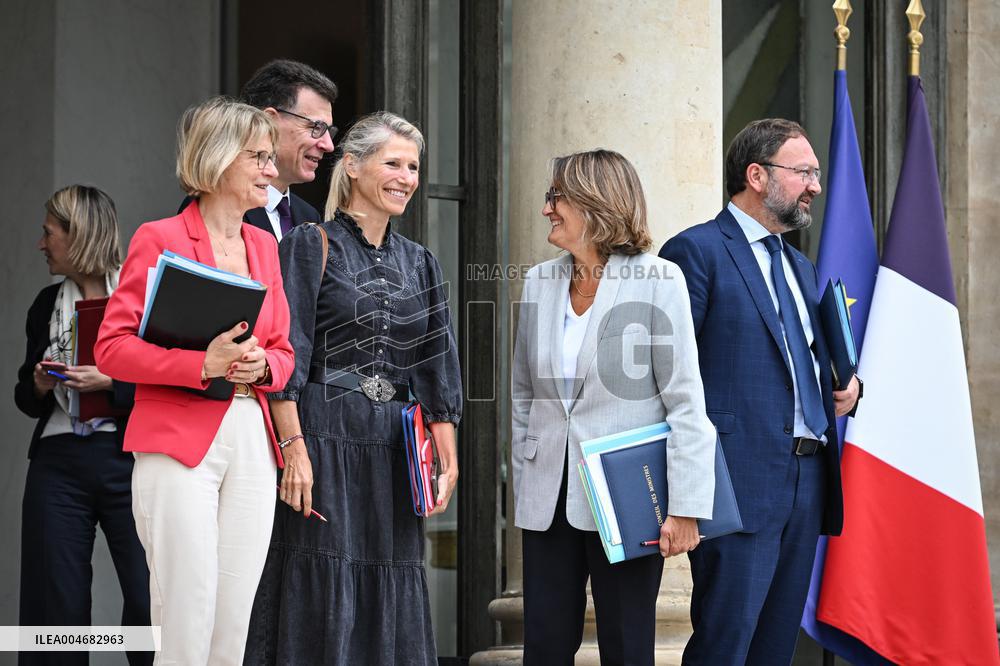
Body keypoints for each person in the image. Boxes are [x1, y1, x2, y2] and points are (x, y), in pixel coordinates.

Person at [244, 111, 462, 665]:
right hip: (321, 436)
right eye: (394, 163)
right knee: (322, 577)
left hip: (394, 448)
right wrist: (293, 451)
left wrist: (446, 457)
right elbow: (286, 353)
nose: (407, 177)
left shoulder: (423, 263)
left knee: (392, 578)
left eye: (414, 167)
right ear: (354, 165)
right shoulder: (308, 245)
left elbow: (437, 363)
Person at [95, 97, 294, 665]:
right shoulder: (159, 237)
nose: (270, 170)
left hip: (251, 437)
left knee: (233, 623)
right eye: (257, 157)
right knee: (186, 612)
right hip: (176, 437)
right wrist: (198, 365)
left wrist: (264, 367)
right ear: (218, 158)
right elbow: (112, 348)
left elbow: (284, 352)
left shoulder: (265, 247)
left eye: (269, 157)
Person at [659, 118, 862, 665]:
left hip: (806, 480)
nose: (815, 186)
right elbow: (670, 376)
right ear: (756, 174)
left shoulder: (798, 264)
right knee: (725, 644)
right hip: (736, 480)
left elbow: (803, 363)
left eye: (815, 175)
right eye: (804, 173)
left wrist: (849, 388)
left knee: (774, 649)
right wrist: (683, 493)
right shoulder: (694, 251)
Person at [511, 149, 717, 666]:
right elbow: (523, 393)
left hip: (625, 499)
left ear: (595, 202)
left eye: (556, 197)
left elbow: (686, 401)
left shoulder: (660, 280)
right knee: (543, 648)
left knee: (627, 649)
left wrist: (686, 506)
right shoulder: (539, 280)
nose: (547, 209)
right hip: (547, 496)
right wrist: (525, 464)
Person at [15, 185, 151, 666]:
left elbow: (169, 385)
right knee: (56, 608)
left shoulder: (141, 298)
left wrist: (113, 382)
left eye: (48, 233)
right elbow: (23, 402)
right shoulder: (45, 304)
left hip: (132, 461)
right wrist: (37, 383)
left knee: (148, 599)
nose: (41, 244)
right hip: (57, 464)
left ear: (79, 237)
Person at [180, 59, 338, 240]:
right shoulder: (214, 205)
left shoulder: (308, 217)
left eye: (329, 131)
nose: (328, 145)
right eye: (316, 127)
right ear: (269, 119)